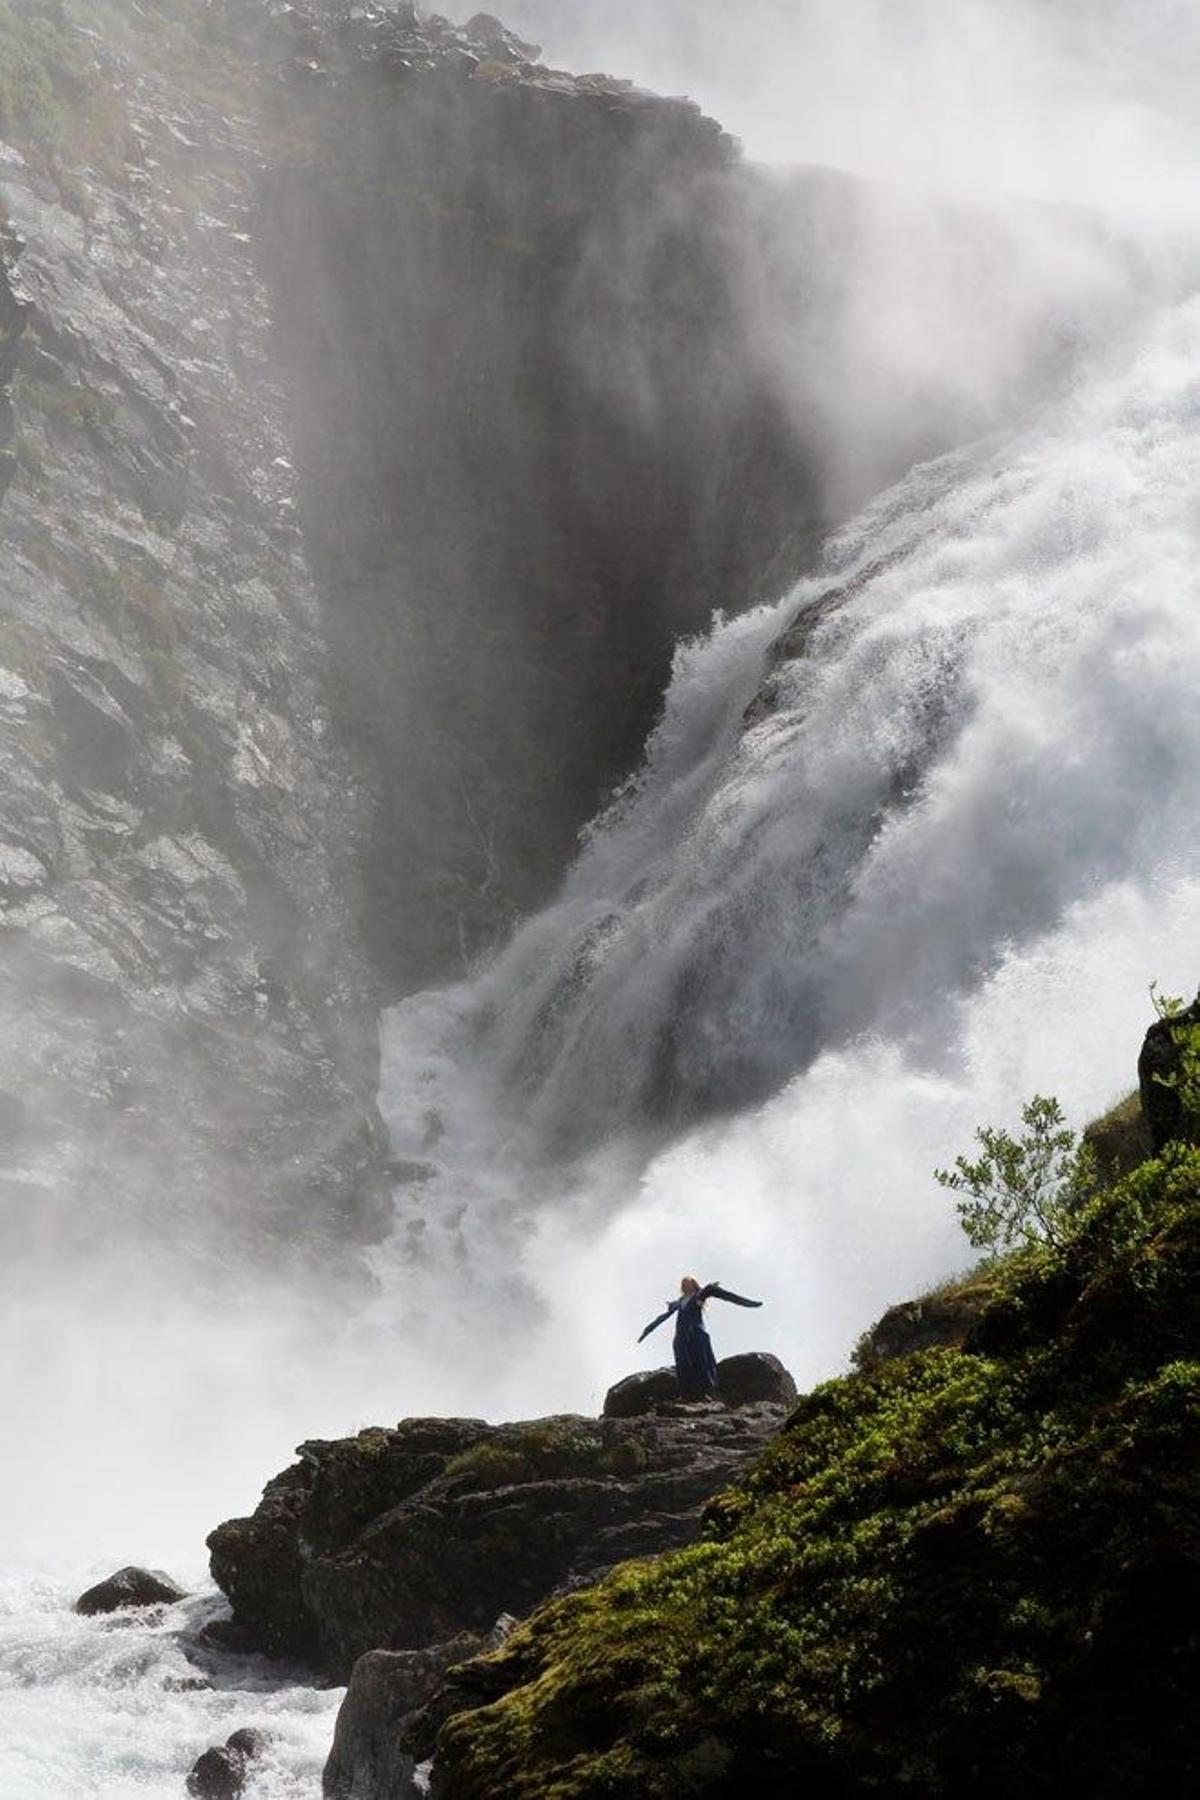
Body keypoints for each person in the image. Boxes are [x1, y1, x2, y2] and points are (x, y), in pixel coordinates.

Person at [638, 1276, 763, 1402]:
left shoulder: (698, 1296)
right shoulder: (679, 1302)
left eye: (687, 1282)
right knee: (683, 1364)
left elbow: (719, 1294)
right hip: (682, 1336)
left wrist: (749, 1303)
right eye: (683, 1283)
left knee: (700, 1362)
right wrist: (646, 1331)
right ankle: (685, 1394)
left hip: (696, 1334)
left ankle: (704, 1392)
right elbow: (661, 1318)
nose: (685, 1285)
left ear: (693, 1284)